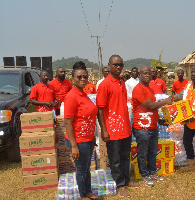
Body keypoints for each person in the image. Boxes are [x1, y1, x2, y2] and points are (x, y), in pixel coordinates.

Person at [96, 55, 139, 197]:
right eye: (115, 64)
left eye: (121, 64)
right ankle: (119, 185)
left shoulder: (122, 82)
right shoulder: (104, 84)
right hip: (112, 130)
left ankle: (126, 180)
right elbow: (100, 109)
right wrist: (104, 130)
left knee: (125, 156)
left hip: (125, 128)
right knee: (115, 160)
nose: (119, 67)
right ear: (109, 66)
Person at [132, 66, 172, 187]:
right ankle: (144, 175)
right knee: (143, 152)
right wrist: (166, 101)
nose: (148, 75)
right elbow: (151, 106)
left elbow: (152, 109)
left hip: (153, 126)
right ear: (139, 75)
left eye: (149, 73)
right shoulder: (138, 89)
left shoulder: (149, 88)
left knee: (153, 151)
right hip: (142, 127)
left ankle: (152, 172)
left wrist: (160, 119)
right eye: (145, 73)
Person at [64, 67, 100, 200]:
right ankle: (83, 195)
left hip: (88, 138)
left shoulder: (83, 94)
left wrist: (92, 137)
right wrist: (74, 146)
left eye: (85, 76)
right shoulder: (71, 97)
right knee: (82, 169)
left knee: (86, 167)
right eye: (79, 77)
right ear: (72, 79)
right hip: (78, 140)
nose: (83, 79)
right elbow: (68, 122)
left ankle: (89, 192)